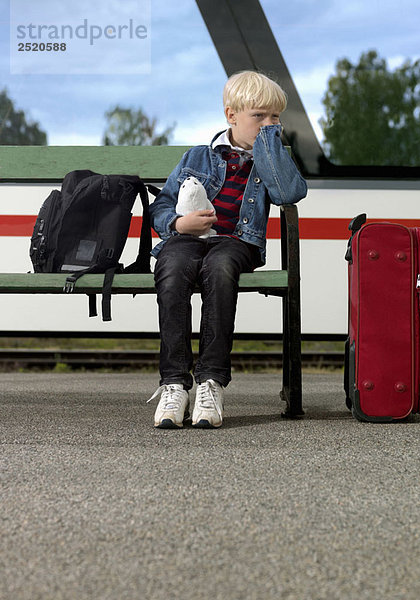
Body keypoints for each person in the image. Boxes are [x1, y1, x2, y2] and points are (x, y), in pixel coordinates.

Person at [148, 70, 307, 429]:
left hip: (236, 243)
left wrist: (270, 147)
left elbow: (288, 194)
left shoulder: (271, 163)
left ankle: (211, 381)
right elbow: (160, 208)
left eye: (275, 118)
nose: (269, 124)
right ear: (231, 115)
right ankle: (174, 383)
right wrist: (177, 224)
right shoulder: (198, 156)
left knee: (219, 272)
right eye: (259, 117)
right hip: (187, 240)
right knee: (171, 271)